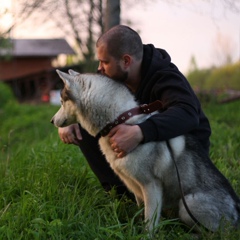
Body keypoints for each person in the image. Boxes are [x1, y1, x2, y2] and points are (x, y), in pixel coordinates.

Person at [58, 25, 211, 196]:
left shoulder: (165, 76)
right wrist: (70, 118)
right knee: (84, 129)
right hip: (144, 141)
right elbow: (83, 95)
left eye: (105, 62)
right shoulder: (111, 74)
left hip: (183, 154)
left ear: (126, 61)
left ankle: (159, 193)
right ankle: (122, 193)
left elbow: (188, 114)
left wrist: (140, 132)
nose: (99, 68)